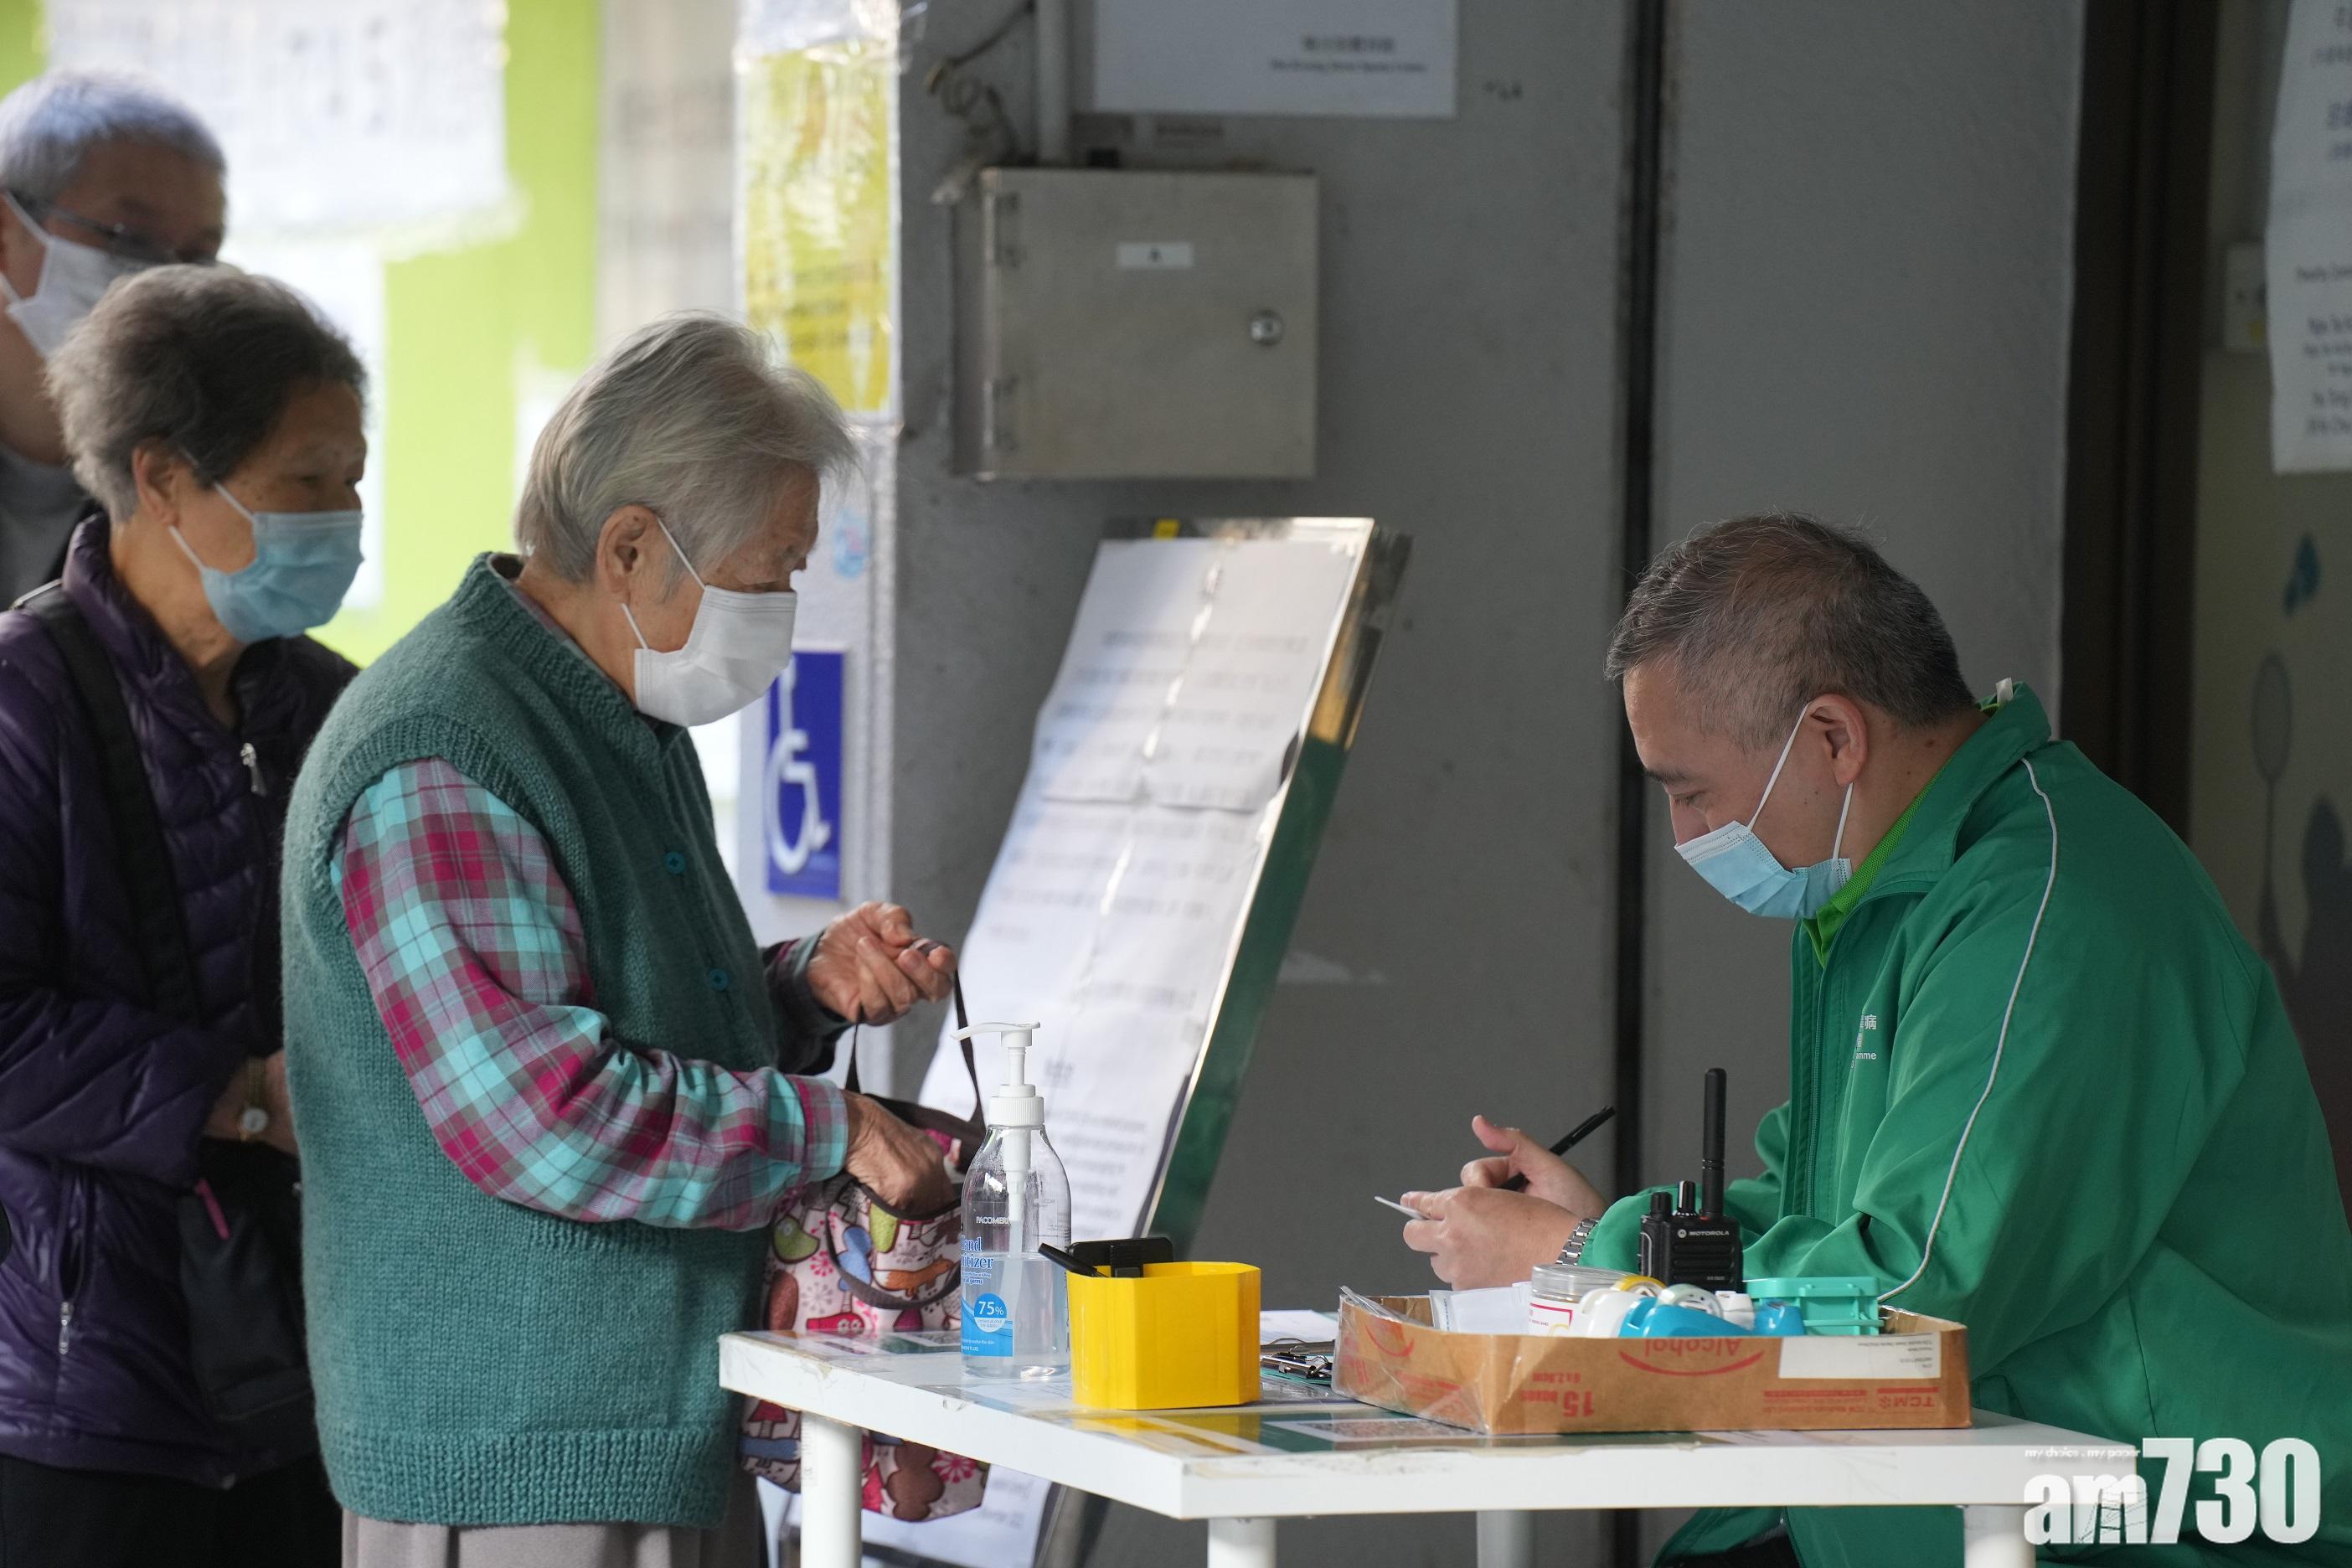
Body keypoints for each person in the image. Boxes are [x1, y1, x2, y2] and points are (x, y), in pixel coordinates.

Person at [1397, 514, 2352, 1567]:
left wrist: (1588, 1262)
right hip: (1935, 1492)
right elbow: (1829, 1207)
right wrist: (1637, 1233)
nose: (1686, 838)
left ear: (1833, 739)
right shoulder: (1902, 883)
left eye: (1691, 792)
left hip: (2144, 1519)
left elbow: (1915, 1295)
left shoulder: (2047, 909)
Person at [282, 311, 960, 1565]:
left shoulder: (615, 720)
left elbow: (620, 1020)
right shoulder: (443, 752)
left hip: (649, 1424)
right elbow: (542, 1114)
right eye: (772, 569)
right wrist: (838, 1129)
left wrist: (799, 989)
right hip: (518, 1464)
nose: (786, 608)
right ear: (634, 547)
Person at [0, 265, 369, 1565]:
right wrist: (239, 1095)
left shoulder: (337, 708)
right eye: (305, 483)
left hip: (315, 1367)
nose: (348, 517)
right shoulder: (22, 701)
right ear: (162, 479)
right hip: (83, 1393)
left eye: (354, 478)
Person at [0, 70, 225, 601]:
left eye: (200, 257)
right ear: (5, 240)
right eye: (134, 239)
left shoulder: (180, 489)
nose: (167, 282)